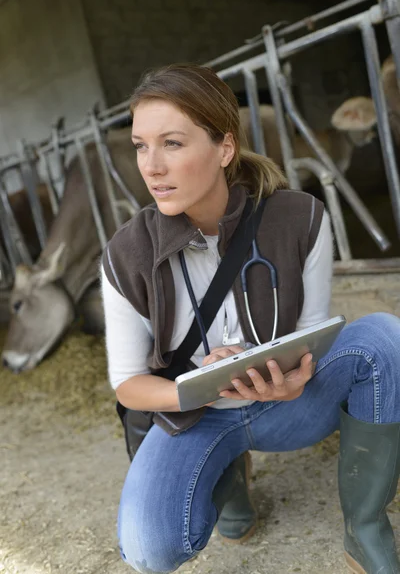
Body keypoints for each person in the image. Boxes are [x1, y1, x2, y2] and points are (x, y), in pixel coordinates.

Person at [101, 63, 400, 574]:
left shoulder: (300, 217)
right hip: (195, 417)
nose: (150, 166)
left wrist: (296, 374)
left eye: (172, 143)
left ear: (224, 148)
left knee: (383, 337)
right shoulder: (125, 254)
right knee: (151, 549)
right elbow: (128, 385)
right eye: (140, 146)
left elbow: (313, 331)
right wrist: (202, 384)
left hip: (289, 401)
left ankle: (365, 525)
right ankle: (228, 482)